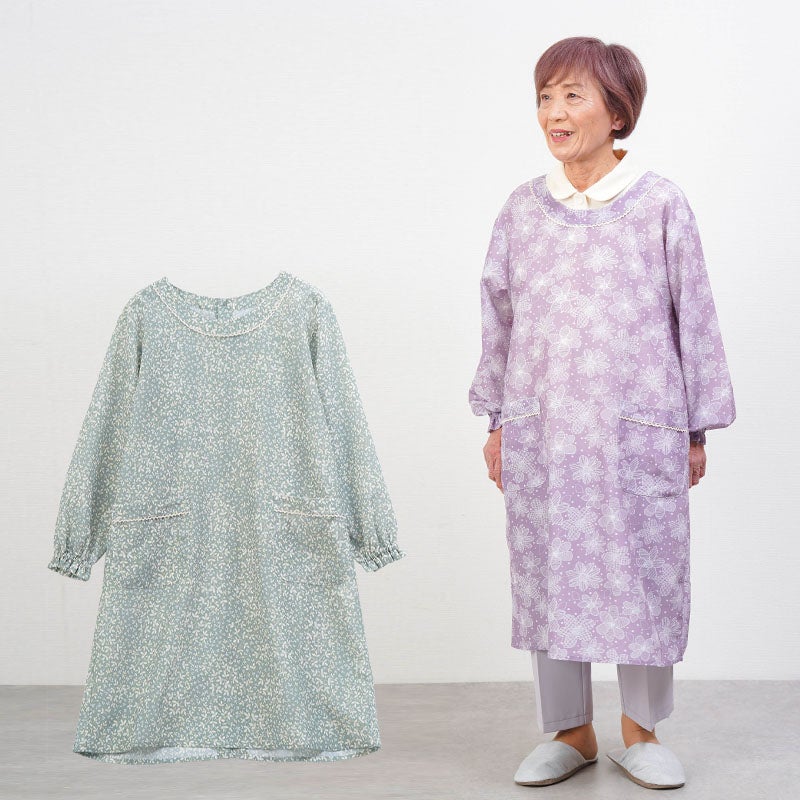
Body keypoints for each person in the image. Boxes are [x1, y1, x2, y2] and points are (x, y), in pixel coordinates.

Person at [468, 36, 736, 790]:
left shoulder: (661, 204)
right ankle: (570, 732)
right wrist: (496, 419)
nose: (554, 112)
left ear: (617, 112)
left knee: (645, 573)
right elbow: (499, 320)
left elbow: (695, 318)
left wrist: (695, 428)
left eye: (572, 95)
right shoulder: (522, 211)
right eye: (545, 97)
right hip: (543, 433)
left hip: (637, 433)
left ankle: (642, 731)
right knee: (550, 574)